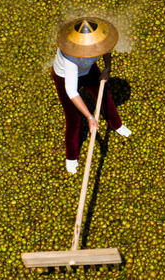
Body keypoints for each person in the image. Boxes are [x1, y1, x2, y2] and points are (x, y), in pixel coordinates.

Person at [52, 18, 131, 174]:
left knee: (104, 97)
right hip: (64, 77)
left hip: (88, 70)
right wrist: (90, 117)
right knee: (73, 117)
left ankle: (116, 125)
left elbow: (107, 49)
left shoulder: (100, 40)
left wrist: (107, 69)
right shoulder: (70, 58)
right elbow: (71, 91)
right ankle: (71, 158)